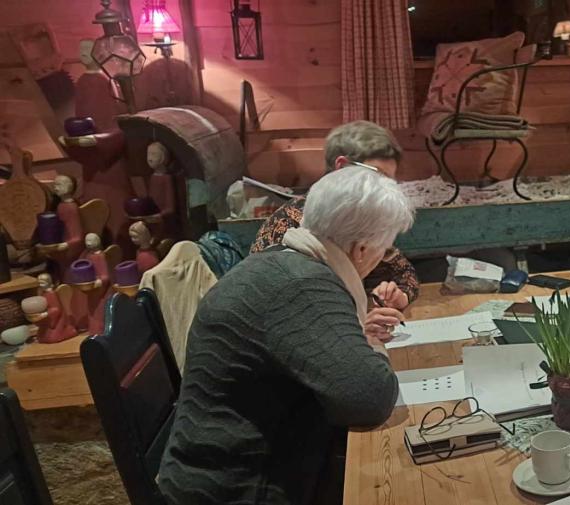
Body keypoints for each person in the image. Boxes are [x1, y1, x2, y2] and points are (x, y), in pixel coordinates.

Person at [158, 167, 414, 504]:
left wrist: (355, 337)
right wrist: (374, 344)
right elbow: (369, 399)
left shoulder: (283, 261)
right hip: (237, 488)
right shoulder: (303, 285)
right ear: (362, 250)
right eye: (386, 249)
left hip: (219, 470)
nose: (384, 258)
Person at [252, 121, 419, 329]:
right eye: (378, 175)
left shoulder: (362, 216)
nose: (386, 188)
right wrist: (358, 329)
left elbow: (403, 272)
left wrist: (398, 295)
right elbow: (288, 313)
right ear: (342, 166)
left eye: (391, 181)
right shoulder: (292, 225)